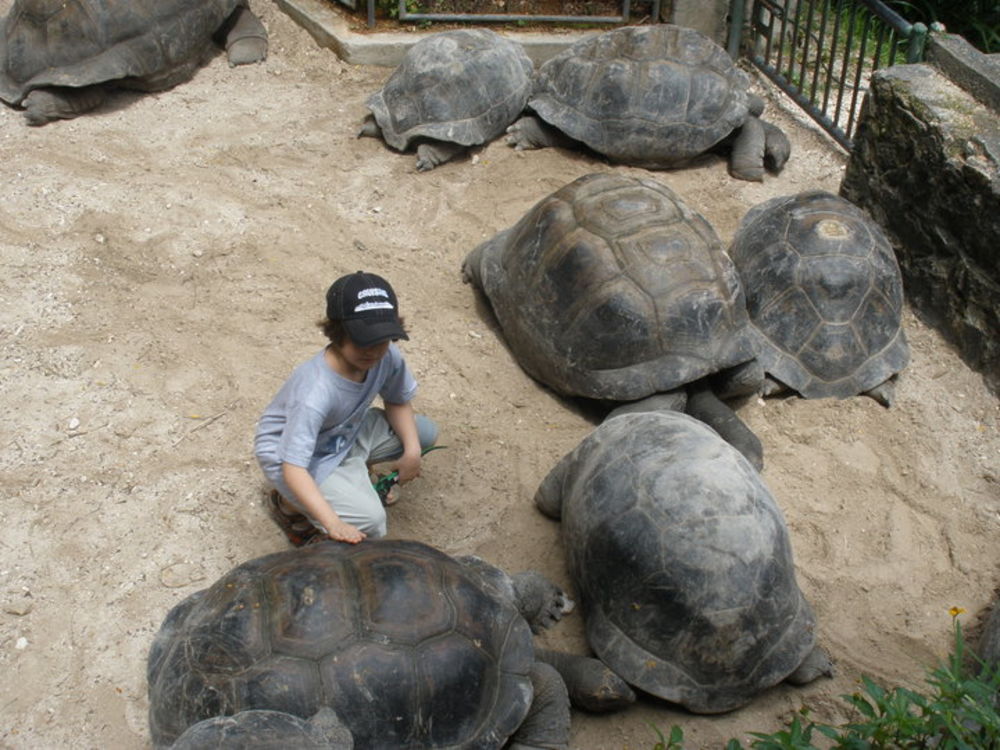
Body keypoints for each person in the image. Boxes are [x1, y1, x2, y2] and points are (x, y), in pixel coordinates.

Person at [254, 271, 438, 545]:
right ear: (337, 332)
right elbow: (293, 466)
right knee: (372, 522)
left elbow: (397, 400)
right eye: (363, 340)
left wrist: (412, 452)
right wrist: (333, 523)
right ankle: (289, 506)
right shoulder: (315, 392)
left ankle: (349, 482)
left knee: (422, 432)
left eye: (382, 340)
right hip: (296, 459)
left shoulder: (385, 357)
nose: (373, 352)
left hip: (342, 433)